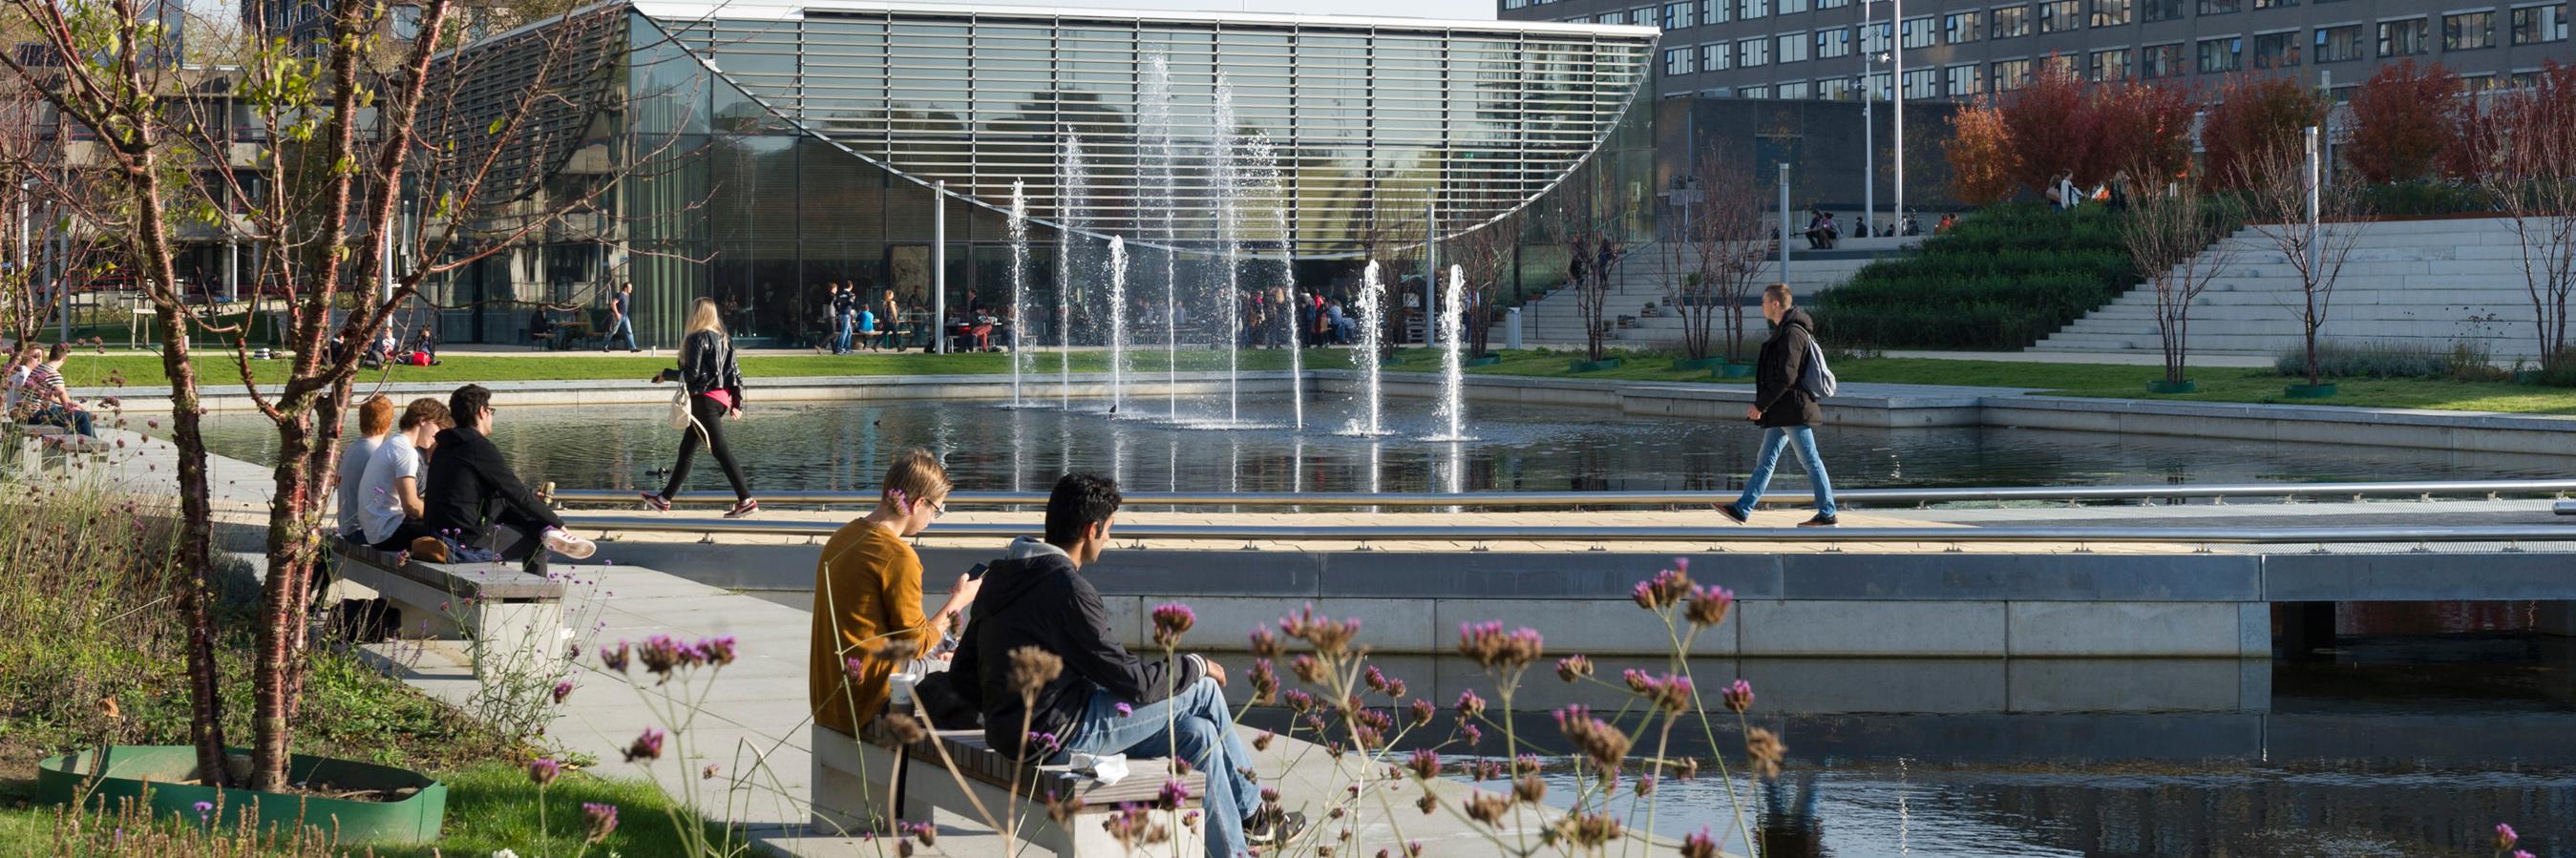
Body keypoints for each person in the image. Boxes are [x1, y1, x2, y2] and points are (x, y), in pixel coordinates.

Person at [951, 472, 1301, 856]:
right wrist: (1195, 665)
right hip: (1059, 736)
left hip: (1014, 736)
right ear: (1091, 528)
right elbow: (1132, 683)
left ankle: (1234, 849)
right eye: (1109, 529)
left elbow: (962, 675)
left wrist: (1008, 712)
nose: (1108, 539)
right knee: (1200, 689)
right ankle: (1255, 817)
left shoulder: (1002, 574)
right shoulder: (1068, 589)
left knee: (1199, 734)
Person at [811, 449, 980, 736]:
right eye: (936, 510)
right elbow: (916, 644)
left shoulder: (842, 537)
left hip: (829, 699)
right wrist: (959, 601)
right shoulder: (897, 557)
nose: (934, 519)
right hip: (870, 701)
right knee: (976, 680)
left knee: (946, 655)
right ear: (918, 504)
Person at [419, 384, 597, 569]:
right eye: (491, 411)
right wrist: (557, 522)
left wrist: (540, 514)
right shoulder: (477, 446)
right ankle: (534, 594)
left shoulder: (444, 446)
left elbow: (500, 493)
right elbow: (516, 492)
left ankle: (545, 529)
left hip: (438, 533)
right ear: (482, 411)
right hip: (463, 542)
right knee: (537, 542)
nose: (491, 417)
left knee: (515, 510)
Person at [1715, 283, 1838, 528]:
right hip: (1782, 410)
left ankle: (1827, 513)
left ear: (1775, 304)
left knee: (1810, 460)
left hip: (1792, 409)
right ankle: (1742, 509)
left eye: (1763, 301)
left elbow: (1786, 377)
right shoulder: (1785, 331)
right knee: (1766, 459)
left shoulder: (1792, 333)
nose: (1761, 306)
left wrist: (1760, 405)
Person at [642, 298, 757, 518]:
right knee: (686, 450)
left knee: (720, 450)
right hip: (719, 400)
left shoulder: (697, 338)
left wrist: (667, 374)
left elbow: (693, 375)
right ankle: (664, 499)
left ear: (695, 314)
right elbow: (735, 373)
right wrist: (737, 402)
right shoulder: (724, 339)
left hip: (704, 400)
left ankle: (746, 500)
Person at [357, 398, 451, 552]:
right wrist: (444, 515)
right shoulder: (405, 451)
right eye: (439, 427)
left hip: (377, 531)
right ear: (423, 420)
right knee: (455, 533)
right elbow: (412, 506)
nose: (438, 435)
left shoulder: (393, 443)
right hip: (389, 533)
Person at [334, 396, 396, 541]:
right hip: (361, 531)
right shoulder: (376, 455)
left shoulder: (353, 448)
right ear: (389, 423)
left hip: (347, 527)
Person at [24, 344, 95, 437]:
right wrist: (74, 407)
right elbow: (67, 405)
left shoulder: (39, 368)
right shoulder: (53, 374)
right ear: (64, 358)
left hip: (27, 413)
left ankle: (80, 442)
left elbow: (51, 397)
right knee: (83, 416)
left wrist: (73, 404)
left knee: (82, 415)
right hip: (35, 415)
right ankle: (92, 446)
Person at [603, 282, 640, 352]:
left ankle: (633, 348)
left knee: (629, 331)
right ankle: (604, 346)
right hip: (618, 317)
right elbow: (613, 303)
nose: (631, 289)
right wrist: (617, 314)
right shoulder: (620, 295)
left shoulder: (627, 295)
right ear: (626, 288)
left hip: (625, 317)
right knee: (612, 332)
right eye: (630, 288)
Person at [831, 282, 857, 355]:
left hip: (841, 314)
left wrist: (838, 310)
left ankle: (847, 348)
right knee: (844, 332)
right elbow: (851, 303)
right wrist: (853, 298)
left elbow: (835, 302)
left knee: (849, 332)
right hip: (846, 314)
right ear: (851, 286)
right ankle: (839, 349)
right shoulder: (850, 294)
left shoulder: (840, 293)